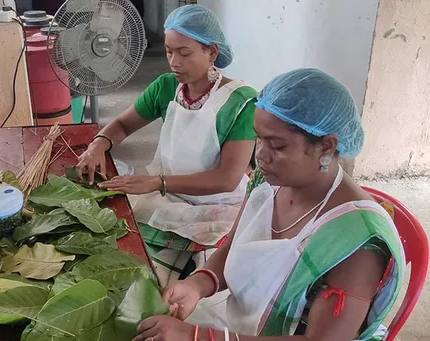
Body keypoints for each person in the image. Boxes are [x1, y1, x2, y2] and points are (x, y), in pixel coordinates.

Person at [133, 68, 405, 341]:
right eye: (258, 138)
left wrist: (198, 337)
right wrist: (198, 284)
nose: (260, 155)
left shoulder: (356, 241)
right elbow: (234, 245)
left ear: (326, 146)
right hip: (241, 325)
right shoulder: (267, 182)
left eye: (277, 146)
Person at [76, 5, 257, 285]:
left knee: (207, 284)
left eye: (184, 53)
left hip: (219, 204)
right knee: (125, 260)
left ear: (212, 52)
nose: (174, 62)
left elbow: (227, 178)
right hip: (171, 197)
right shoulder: (165, 87)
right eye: (169, 52)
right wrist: (98, 144)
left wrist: (157, 183)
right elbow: (123, 125)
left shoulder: (241, 103)